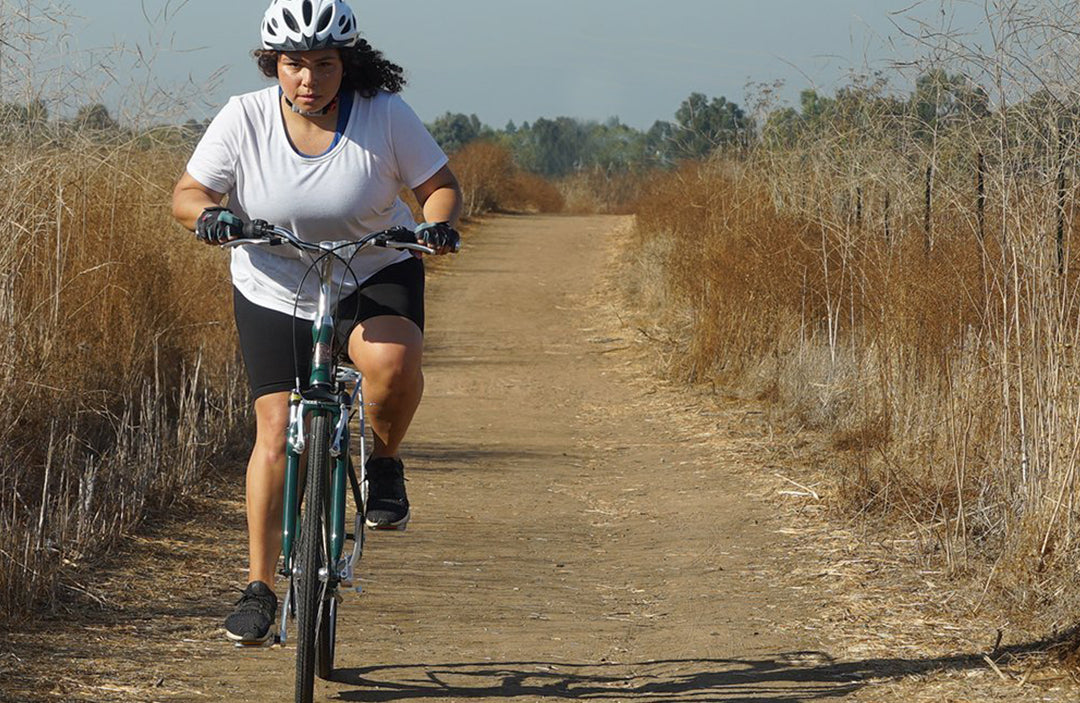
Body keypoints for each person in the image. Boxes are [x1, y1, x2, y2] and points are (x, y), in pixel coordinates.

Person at [171, 0, 462, 645]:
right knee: (274, 429)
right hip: (275, 283)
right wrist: (211, 218)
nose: (309, 79)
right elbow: (187, 195)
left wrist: (436, 223)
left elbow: (439, 186)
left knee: (390, 364)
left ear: (346, 63)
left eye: (324, 64)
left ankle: (384, 461)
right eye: (293, 64)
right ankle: (259, 588)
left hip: (372, 266)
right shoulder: (242, 117)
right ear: (273, 64)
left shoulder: (385, 114)